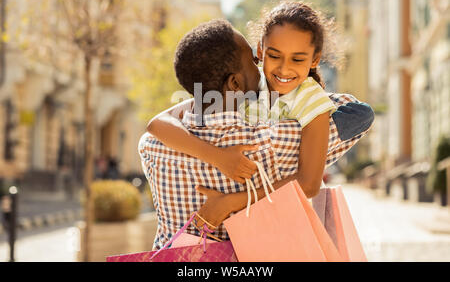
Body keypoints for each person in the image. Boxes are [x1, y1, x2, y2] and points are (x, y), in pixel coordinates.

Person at [138, 18, 374, 250]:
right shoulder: (278, 138)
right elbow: (359, 114)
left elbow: (157, 124)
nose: (260, 67)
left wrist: (216, 156)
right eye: (253, 60)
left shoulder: (153, 147)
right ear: (234, 83)